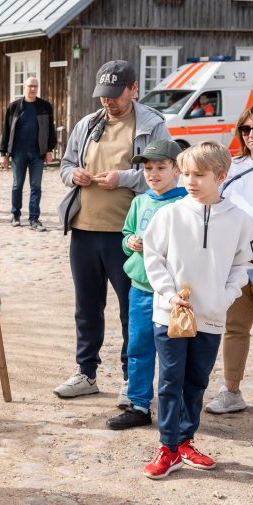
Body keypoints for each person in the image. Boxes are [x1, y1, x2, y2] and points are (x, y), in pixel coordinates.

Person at [53, 60, 172, 402]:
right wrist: (72, 175)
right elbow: (65, 164)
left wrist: (123, 178)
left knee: (130, 310)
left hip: (126, 234)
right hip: (84, 230)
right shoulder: (88, 123)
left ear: (134, 89)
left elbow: (162, 174)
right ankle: (85, 372)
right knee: (87, 306)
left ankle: (129, 379)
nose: (109, 102)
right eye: (104, 96)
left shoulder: (152, 124)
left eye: (115, 96)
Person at [141, 142, 253, 479]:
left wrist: (225, 296)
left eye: (199, 175)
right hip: (170, 314)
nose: (190, 180)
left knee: (196, 380)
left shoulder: (239, 220)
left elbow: (243, 263)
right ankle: (167, 446)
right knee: (170, 379)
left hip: (212, 316)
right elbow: (153, 257)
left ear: (220, 176)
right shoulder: (170, 214)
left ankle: (185, 441)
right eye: (186, 173)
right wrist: (169, 293)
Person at [107, 139, 187, 430]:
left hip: (170, 293)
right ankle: (139, 404)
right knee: (138, 347)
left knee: (173, 352)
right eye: (148, 168)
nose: (153, 173)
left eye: (161, 167)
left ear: (176, 169)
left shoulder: (184, 203)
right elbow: (128, 233)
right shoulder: (140, 201)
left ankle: (174, 406)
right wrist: (130, 242)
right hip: (140, 287)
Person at [206, 100, 253, 422]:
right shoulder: (230, 168)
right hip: (235, 261)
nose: (252, 134)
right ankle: (231, 390)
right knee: (234, 328)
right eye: (246, 129)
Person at [0, 76, 57, 231]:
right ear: (24, 87)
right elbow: (5, 130)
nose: (33, 89)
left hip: (38, 154)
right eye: (30, 86)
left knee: (36, 186)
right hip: (18, 153)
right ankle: (15, 215)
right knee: (17, 185)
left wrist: (50, 149)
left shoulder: (45, 106)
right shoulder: (14, 107)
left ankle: (34, 219)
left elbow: (51, 130)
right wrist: (2, 153)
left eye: (35, 86)